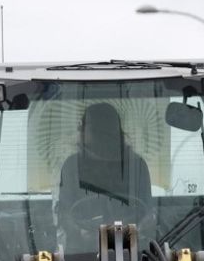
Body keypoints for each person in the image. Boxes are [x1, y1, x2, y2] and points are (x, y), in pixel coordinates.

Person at [55, 103, 153, 247]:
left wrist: (136, 229)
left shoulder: (136, 166)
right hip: (81, 253)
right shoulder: (72, 166)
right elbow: (64, 214)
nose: (80, 130)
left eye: (84, 126)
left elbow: (148, 214)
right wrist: (80, 232)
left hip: (130, 251)